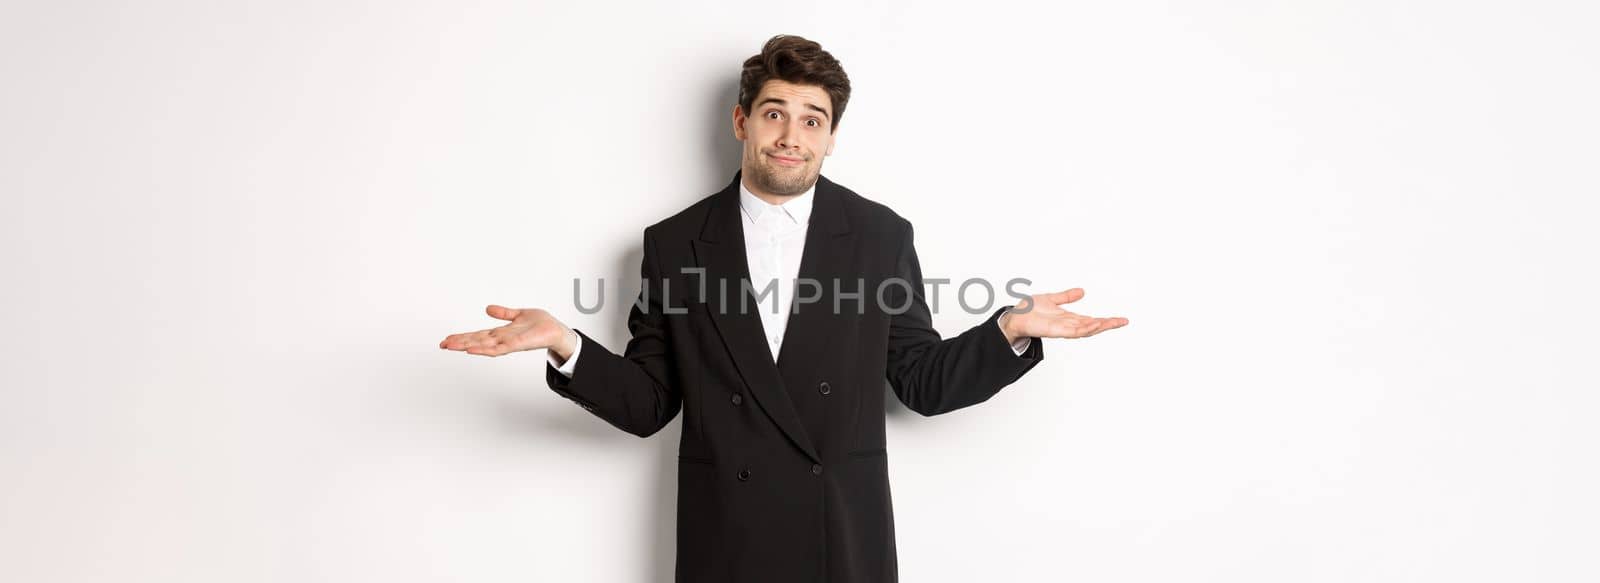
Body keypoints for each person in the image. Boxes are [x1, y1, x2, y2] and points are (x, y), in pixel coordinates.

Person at [439, 33, 1128, 583]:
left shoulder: (880, 235)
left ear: (831, 137)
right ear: (743, 121)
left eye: (812, 119)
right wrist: (567, 343)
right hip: (727, 542)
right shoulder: (675, 243)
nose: (791, 135)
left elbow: (919, 379)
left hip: (842, 541)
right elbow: (649, 403)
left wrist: (1005, 329)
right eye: (775, 113)